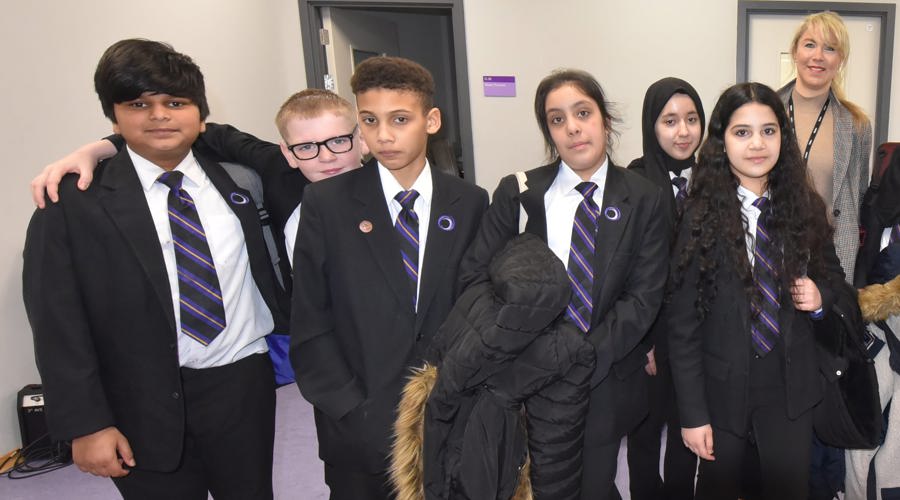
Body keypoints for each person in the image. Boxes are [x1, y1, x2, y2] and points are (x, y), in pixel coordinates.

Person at [22, 39, 290, 499]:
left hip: (241, 385)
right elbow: (56, 322)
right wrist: (86, 424)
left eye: (176, 103)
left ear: (200, 115)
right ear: (114, 115)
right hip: (137, 398)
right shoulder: (71, 203)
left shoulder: (240, 180)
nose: (159, 115)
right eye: (138, 104)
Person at [29, 89, 367, 386]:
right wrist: (98, 149)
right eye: (307, 146)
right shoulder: (282, 171)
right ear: (289, 152)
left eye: (339, 141)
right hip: (318, 340)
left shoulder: (390, 192)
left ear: (361, 139)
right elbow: (200, 134)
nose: (326, 156)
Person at [459, 68, 670, 500]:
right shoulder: (518, 194)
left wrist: (578, 361)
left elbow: (643, 298)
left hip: (603, 378)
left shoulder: (644, 197)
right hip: (525, 378)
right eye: (557, 119)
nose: (572, 127)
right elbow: (475, 278)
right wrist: (524, 352)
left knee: (592, 483)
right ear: (549, 133)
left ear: (604, 121)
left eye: (582, 113)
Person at [291, 56, 488, 499]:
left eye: (400, 119)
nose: (383, 135)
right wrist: (346, 406)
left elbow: (478, 309)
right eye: (370, 121)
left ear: (431, 120)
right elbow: (310, 318)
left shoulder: (471, 202)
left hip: (447, 415)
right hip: (358, 419)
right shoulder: (326, 203)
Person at [667, 82, 845, 500]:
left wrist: (821, 300)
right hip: (721, 394)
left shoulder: (804, 207)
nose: (757, 144)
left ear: (783, 136)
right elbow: (682, 327)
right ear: (721, 141)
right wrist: (692, 415)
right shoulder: (698, 216)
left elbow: (837, 284)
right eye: (742, 132)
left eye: (768, 130)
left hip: (790, 393)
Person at [626, 77, 705, 500]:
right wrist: (643, 341)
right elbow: (630, 272)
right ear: (651, 126)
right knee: (644, 431)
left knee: (686, 426)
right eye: (670, 120)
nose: (683, 131)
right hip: (651, 333)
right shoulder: (633, 183)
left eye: (692, 119)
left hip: (698, 331)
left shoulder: (715, 179)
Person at [777, 10, 872, 282]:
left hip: (832, 256)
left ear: (840, 60)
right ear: (795, 51)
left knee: (828, 324)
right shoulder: (765, 110)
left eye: (830, 48)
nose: (818, 56)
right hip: (773, 246)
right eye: (810, 44)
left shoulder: (857, 125)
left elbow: (859, 193)